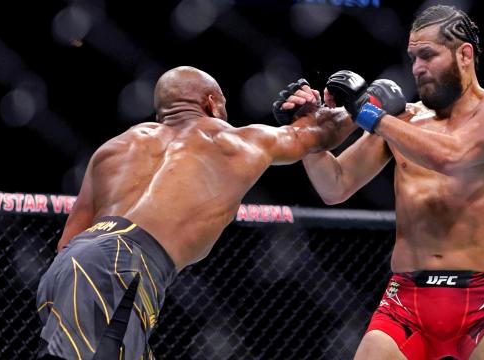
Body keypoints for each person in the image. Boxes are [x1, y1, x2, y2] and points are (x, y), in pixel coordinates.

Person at [277, 5, 484, 360]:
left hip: (483, 303)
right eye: (413, 57)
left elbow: (453, 156)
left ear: (464, 54)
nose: (417, 67)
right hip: (405, 302)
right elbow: (335, 185)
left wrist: (371, 115)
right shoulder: (404, 121)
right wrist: (306, 130)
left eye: (428, 55)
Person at [36, 66, 350, 360]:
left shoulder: (114, 148)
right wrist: (354, 105)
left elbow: (68, 240)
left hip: (69, 267)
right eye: (224, 106)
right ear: (212, 104)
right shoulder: (230, 140)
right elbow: (316, 133)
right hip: (123, 268)